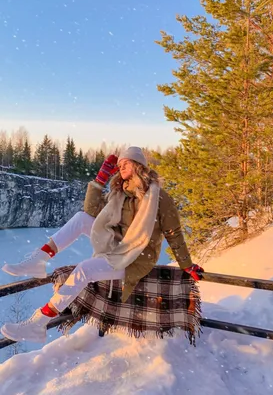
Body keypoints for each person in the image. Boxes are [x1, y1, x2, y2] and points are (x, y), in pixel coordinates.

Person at [1, 146, 204, 343]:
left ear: (138, 165)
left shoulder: (158, 197)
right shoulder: (120, 193)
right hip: (117, 244)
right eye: (119, 164)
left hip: (136, 256)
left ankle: (39, 322)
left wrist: (187, 265)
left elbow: (173, 232)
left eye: (126, 163)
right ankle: (40, 258)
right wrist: (100, 179)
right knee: (81, 218)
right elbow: (92, 211)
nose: (121, 167)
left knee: (84, 270)